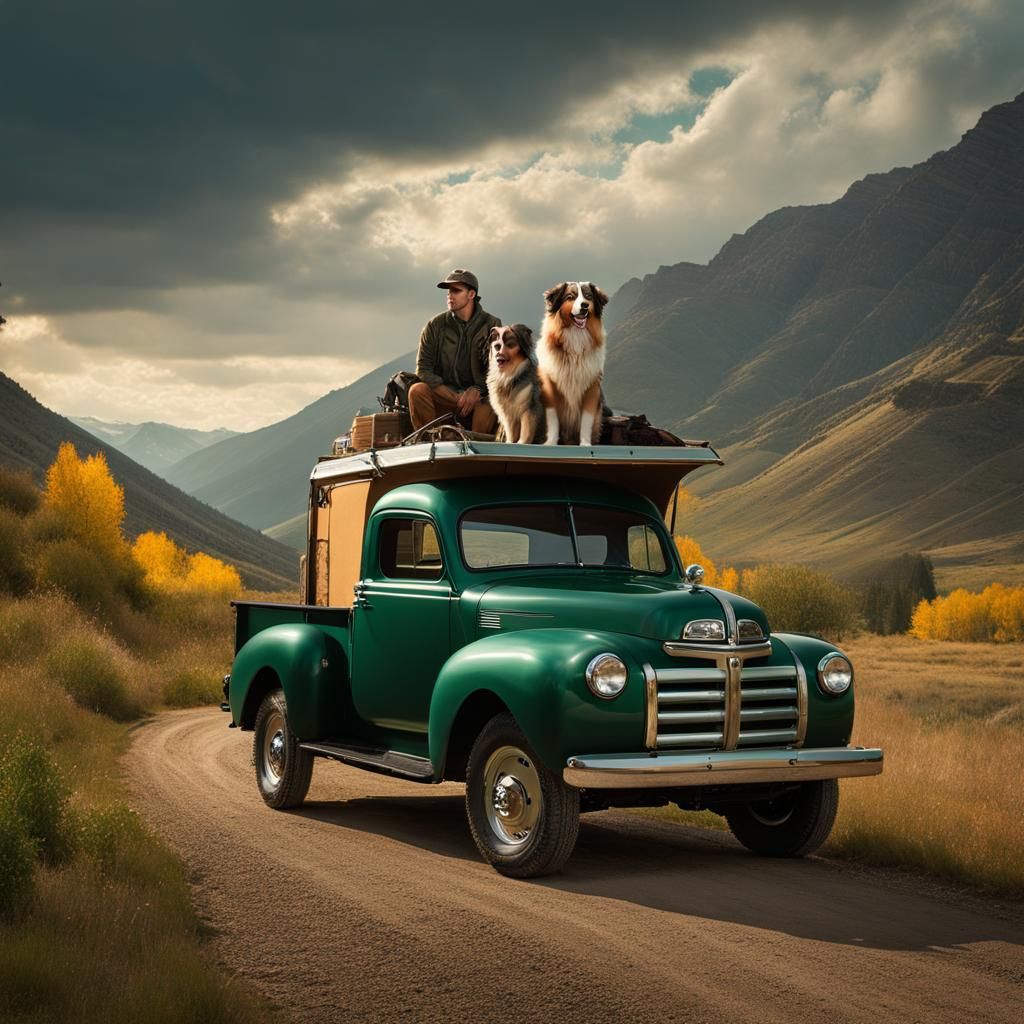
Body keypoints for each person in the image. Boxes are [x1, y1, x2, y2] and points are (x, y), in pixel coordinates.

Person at [408, 269, 500, 434]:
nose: (450, 295)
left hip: (478, 400)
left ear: (471, 294)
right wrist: (453, 396)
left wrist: (478, 390)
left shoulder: (491, 324)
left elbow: (498, 368)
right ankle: (431, 441)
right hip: (444, 396)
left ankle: (476, 447)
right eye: (449, 291)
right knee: (417, 390)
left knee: (493, 400)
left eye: (456, 291)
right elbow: (423, 369)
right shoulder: (435, 325)